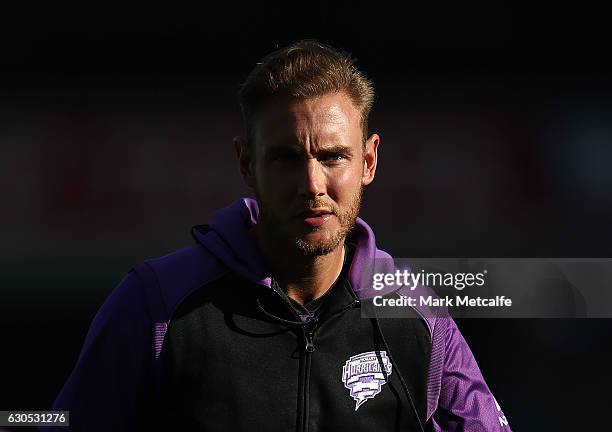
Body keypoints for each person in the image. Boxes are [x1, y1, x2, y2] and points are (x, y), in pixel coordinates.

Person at [44, 40, 511, 431]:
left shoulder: (419, 317)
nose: (312, 185)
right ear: (246, 163)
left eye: (333, 157)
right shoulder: (158, 303)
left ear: (368, 161)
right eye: (285, 159)